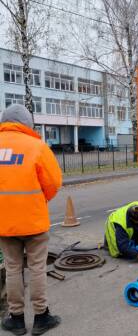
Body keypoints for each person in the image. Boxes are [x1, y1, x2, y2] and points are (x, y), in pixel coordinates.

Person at [0, 104, 62, 336]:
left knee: (13, 268)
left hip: (4, 223)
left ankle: (15, 318)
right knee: (37, 268)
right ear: (27, 123)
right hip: (33, 221)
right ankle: (41, 317)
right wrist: (40, 199)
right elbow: (53, 182)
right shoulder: (37, 146)